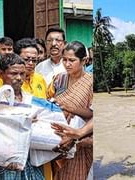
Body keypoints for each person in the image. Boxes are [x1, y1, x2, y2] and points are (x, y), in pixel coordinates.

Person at [0, 53, 44, 180]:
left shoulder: (31, 100)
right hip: (6, 161)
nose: (19, 78)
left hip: (32, 159)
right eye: (13, 74)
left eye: (22, 74)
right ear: (1, 74)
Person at [47, 41, 93, 180]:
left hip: (79, 138)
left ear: (83, 60)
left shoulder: (90, 82)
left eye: (72, 60)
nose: (67, 64)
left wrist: (68, 107)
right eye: (64, 60)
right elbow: (48, 102)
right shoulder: (58, 79)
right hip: (56, 136)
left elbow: (92, 113)